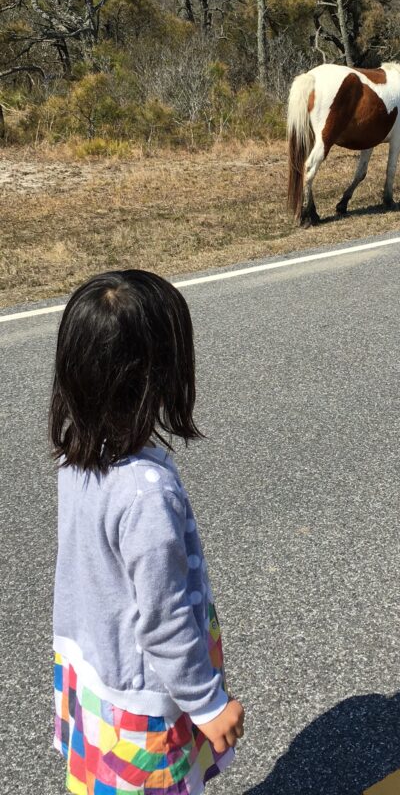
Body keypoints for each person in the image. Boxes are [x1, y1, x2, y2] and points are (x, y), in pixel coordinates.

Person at [50, 269, 244, 795]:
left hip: (93, 679)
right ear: (157, 376)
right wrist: (207, 703)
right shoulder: (146, 494)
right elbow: (164, 619)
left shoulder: (78, 458)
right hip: (143, 705)